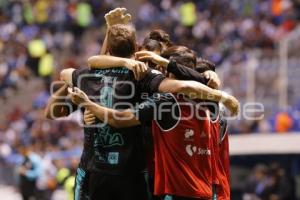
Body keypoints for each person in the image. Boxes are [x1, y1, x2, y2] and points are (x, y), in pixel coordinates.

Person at [68, 46, 239, 199]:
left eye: (160, 69)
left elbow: (118, 119)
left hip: (177, 192)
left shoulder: (165, 102)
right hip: (210, 192)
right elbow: (201, 83)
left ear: (168, 73)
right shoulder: (213, 105)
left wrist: (89, 104)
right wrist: (214, 81)